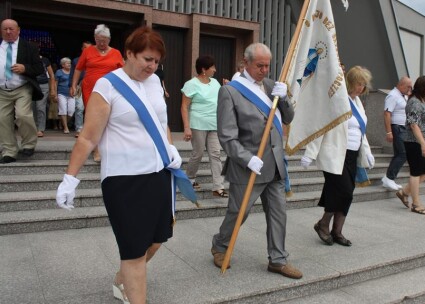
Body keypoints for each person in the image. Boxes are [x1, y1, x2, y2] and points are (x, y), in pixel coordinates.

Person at [56, 26, 180, 304]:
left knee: (157, 240)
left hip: (159, 174)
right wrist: (70, 178)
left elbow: (162, 123)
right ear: (129, 53)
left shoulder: (155, 83)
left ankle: (123, 278)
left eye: (157, 61)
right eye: (147, 59)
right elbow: (88, 138)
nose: (152, 66)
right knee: (134, 251)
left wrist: (171, 149)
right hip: (124, 180)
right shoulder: (107, 85)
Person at [211, 42, 302, 279]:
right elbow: (227, 136)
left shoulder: (272, 86)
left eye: (267, 66)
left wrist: (284, 99)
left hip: (275, 165)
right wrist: (246, 158)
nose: (264, 70)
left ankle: (278, 259)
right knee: (239, 213)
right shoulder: (230, 91)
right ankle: (220, 245)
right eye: (259, 66)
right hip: (248, 166)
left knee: (278, 213)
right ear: (246, 63)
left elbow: (288, 117)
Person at [303, 66, 375, 247]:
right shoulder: (337, 98)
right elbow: (322, 126)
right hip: (335, 153)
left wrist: (368, 152)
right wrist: (310, 152)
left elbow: (361, 130)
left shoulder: (358, 102)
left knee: (345, 193)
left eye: (364, 84)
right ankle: (323, 224)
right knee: (342, 191)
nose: (361, 88)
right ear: (351, 82)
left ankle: (337, 231)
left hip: (352, 155)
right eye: (359, 83)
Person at [70, 24, 124, 161]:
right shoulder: (88, 51)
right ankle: (97, 150)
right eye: (99, 40)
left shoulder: (116, 53)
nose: (101, 43)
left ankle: (109, 147)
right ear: (95, 38)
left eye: (104, 41)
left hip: (111, 90)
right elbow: (78, 68)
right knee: (94, 119)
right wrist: (74, 85)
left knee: (110, 118)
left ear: (109, 40)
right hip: (91, 89)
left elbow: (123, 72)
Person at [181, 55, 228, 197]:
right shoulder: (191, 84)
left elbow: (220, 99)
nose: (215, 70)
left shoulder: (215, 83)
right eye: (212, 67)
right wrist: (186, 127)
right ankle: (190, 178)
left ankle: (218, 187)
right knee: (198, 153)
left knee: (216, 154)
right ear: (203, 69)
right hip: (198, 124)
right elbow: (184, 106)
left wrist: (226, 87)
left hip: (214, 124)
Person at [0, 19, 44, 164]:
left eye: (11, 29)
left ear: (18, 30)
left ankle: (29, 144)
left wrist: (25, 68)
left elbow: (39, 69)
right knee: (3, 120)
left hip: (22, 87)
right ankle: (9, 151)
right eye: (5, 29)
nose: (8, 32)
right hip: (2, 90)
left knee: (23, 115)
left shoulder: (29, 47)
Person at [395, 76, 425, 215]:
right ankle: (416, 204)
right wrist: (423, 143)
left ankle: (404, 192)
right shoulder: (414, 103)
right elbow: (413, 124)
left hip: (423, 142)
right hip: (414, 142)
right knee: (416, 171)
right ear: (423, 88)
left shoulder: (421, 101)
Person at [381, 76, 412, 190]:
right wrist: (389, 132)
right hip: (396, 127)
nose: (410, 89)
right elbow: (387, 113)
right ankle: (389, 178)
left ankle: (389, 178)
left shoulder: (403, 96)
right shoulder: (393, 95)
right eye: (408, 86)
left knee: (401, 154)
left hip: (402, 128)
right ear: (401, 85)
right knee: (402, 154)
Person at [32, 42, 56, 138]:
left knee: (40, 107)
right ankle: (33, 127)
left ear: (38, 49)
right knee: (32, 108)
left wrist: (53, 89)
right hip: (31, 85)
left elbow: (51, 75)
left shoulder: (45, 60)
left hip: (43, 85)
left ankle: (40, 129)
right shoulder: (28, 59)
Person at [69, 41, 92, 138]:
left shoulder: (94, 59)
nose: (87, 49)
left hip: (92, 86)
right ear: (82, 48)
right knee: (79, 107)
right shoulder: (76, 60)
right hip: (79, 86)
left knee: (91, 108)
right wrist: (71, 86)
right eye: (85, 47)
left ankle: (90, 129)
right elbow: (72, 74)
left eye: (89, 48)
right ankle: (79, 128)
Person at [55, 57, 75, 134]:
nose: (69, 64)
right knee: (63, 110)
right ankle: (66, 127)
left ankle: (62, 122)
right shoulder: (59, 72)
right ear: (63, 65)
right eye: (67, 63)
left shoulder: (73, 72)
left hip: (71, 94)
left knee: (71, 111)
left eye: (69, 63)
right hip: (61, 93)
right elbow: (55, 83)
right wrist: (55, 94)